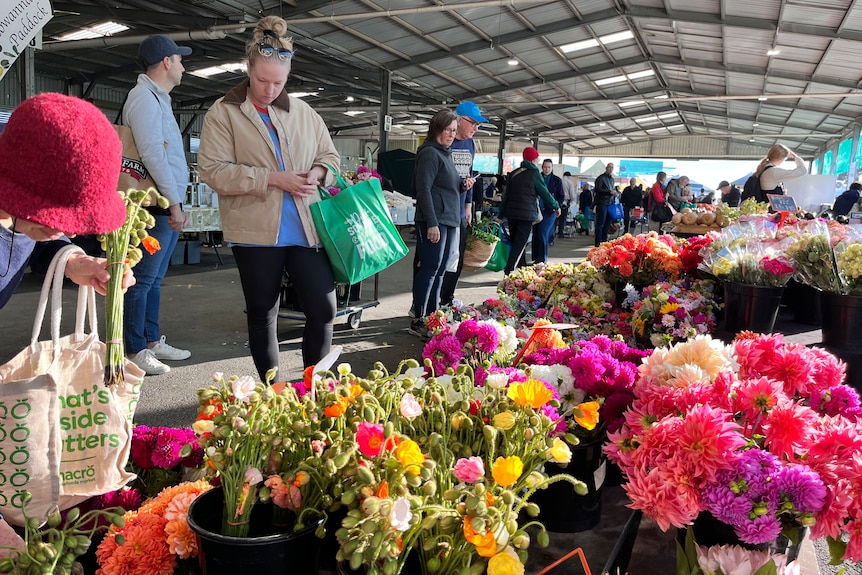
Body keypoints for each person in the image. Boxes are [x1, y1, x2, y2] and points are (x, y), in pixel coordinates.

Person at [198, 16, 341, 382]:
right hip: (256, 232)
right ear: (248, 69)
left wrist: (319, 173)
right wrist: (273, 179)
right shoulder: (223, 113)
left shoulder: (305, 113)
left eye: (279, 82)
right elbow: (213, 170)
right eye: (262, 80)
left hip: (307, 228)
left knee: (324, 310)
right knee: (263, 311)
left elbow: (331, 157)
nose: (269, 89)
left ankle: (315, 388)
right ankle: (273, 391)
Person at [0, 93, 133, 311]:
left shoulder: (26, 218)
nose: (70, 233)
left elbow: (39, 243)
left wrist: (73, 262)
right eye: (55, 215)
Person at [122, 34, 193, 376]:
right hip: (154, 203)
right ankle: (134, 348)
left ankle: (150, 340)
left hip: (165, 201)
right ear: (166, 61)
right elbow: (151, 154)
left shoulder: (158, 99)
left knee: (154, 278)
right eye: (180, 59)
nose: (182, 65)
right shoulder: (144, 99)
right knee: (142, 279)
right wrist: (175, 202)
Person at [409, 110, 470, 336]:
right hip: (435, 220)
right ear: (437, 129)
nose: (452, 134)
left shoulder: (445, 154)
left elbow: (446, 185)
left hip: (449, 219)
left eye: (454, 131)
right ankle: (419, 319)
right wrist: (431, 223)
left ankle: (434, 318)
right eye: (448, 130)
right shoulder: (429, 154)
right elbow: (423, 189)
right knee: (430, 268)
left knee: (441, 270)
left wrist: (463, 185)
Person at [440, 101, 485, 308]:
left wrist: (468, 206)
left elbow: (469, 173)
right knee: (435, 259)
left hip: (459, 209)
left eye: (478, 125)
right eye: (473, 123)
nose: (476, 128)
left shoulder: (470, 144)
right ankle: (426, 302)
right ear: (459, 120)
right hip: (441, 209)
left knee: (456, 256)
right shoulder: (444, 141)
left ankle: (447, 298)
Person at [499, 147, 559, 275]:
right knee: (520, 244)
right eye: (537, 158)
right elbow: (545, 193)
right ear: (533, 159)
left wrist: (500, 214)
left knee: (516, 242)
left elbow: (506, 196)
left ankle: (521, 269)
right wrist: (555, 205)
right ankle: (509, 270)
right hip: (526, 215)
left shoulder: (514, 173)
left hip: (511, 214)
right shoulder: (535, 174)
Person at [532, 159, 564, 262]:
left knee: (542, 232)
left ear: (552, 168)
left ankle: (542, 259)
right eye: (545, 167)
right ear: (542, 167)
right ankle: (536, 257)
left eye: (549, 167)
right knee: (536, 234)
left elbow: (561, 196)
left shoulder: (557, 180)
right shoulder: (537, 177)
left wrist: (556, 206)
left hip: (550, 211)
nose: (547, 169)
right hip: (537, 210)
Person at [593, 162, 615, 246]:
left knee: (607, 224)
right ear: (606, 168)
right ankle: (598, 242)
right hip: (602, 203)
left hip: (609, 203)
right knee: (600, 223)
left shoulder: (611, 179)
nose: (610, 169)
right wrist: (609, 192)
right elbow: (597, 189)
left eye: (612, 167)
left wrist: (613, 193)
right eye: (609, 167)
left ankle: (604, 241)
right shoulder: (600, 178)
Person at [557, 171, 577, 238]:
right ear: (569, 176)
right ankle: (561, 232)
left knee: (556, 218)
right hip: (565, 201)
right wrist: (572, 200)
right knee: (563, 218)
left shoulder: (559, 180)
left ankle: (552, 233)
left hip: (557, 201)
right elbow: (572, 194)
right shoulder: (569, 182)